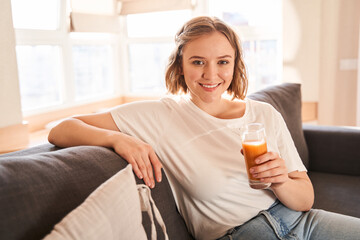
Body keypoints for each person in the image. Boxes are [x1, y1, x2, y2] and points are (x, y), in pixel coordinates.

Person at [48, 16, 360, 240]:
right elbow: (60, 129)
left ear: (235, 63)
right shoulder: (159, 115)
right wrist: (118, 139)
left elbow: (304, 199)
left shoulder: (264, 113)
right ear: (180, 65)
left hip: (303, 222)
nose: (211, 74)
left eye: (223, 62)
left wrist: (280, 181)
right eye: (198, 62)